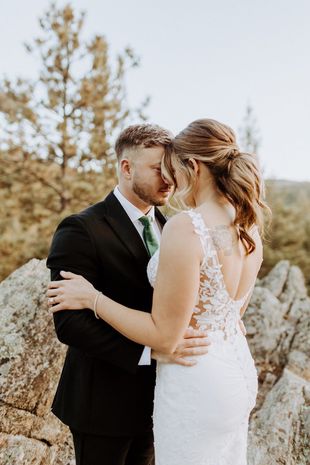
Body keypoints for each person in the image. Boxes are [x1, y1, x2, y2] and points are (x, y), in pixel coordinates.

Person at [48, 118, 267, 465]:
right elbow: (70, 325)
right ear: (126, 167)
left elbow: (214, 301)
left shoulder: (183, 226)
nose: (168, 177)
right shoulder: (81, 228)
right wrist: (149, 352)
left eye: (171, 167)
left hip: (178, 393)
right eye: (157, 168)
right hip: (106, 405)